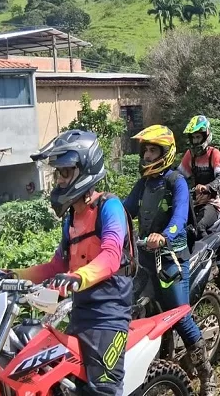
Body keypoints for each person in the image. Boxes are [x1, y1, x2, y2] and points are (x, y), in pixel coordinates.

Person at [17, 130, 133, 396]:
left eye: (65, 172)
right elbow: (56, 266)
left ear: (85, 170)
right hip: (80, 313)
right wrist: (11, 273)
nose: (59, 180)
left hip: (109, 315)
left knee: (103, 390)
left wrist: (78, 277)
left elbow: (111, 255)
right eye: (58, 173)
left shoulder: (109, 206)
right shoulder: (71, 219)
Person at [123, 125, 216, 396]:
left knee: (178, 315)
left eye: (153, 150)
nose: (148, 155)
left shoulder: (177, 182)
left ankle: (207, 374)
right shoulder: (143, 184)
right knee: (126, 308)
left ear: (165, 153)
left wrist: (164, 236)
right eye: (146, 150)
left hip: (171, 259)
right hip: (143, 260)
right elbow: (125, 211)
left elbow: (178, 218)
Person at [179, 115, 220, 239]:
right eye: (193, 137)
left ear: (206, 136)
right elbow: (179, 176)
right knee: (182, 229)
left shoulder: (214, 154)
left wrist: (206, 187)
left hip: (211, 204)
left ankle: (209, 257)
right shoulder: (190, 155)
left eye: (198, 137)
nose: (195, 141)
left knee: (199, 227)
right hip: (193, 203)